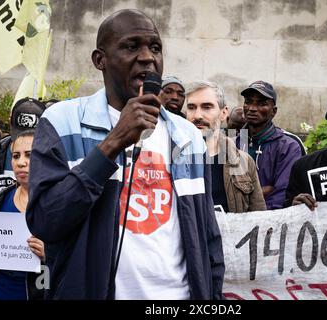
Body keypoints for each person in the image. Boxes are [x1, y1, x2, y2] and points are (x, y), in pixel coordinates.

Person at [26, 9, 224, 300]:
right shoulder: (62, 122)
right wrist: (114, 142)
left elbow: (207, 236)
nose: (147, 57)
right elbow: (46, 220)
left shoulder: (188, 137)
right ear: (100, 60)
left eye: (155, 48)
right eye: (132, 47)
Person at [0, 130, 45, 300]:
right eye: (16, 156)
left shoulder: (56, 205)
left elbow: (74, 263)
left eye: (29, 155)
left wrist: (50, 255)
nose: (21, 162)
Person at [186, 81, 266, 213]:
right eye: (191, 107)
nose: (197, 115)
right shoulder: (170, 159)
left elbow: (259, 218)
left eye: (207, 107)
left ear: (223, 113)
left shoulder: (244, 162)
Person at [237, 81, 302, 210]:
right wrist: (262, 191)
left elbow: (282, 193)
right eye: (248, 102)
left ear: (274, 111)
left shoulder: (289, 146)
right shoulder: (232, 143)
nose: (252, 108)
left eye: (261, 104)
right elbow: (224, 192)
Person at [0, 98, 46, 178]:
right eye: (16, 156)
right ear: (10, 123)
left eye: (32, 137)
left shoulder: (53, 154)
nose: (21, 162)